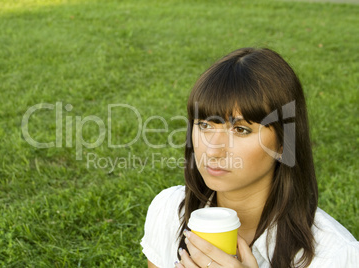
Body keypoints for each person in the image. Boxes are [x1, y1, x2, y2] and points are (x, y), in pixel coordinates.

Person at [140, 47, 359, 268]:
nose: (213, 150)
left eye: (241, 130)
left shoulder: (335, 257)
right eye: (205, 125)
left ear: (284, 144)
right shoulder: (169, 212)